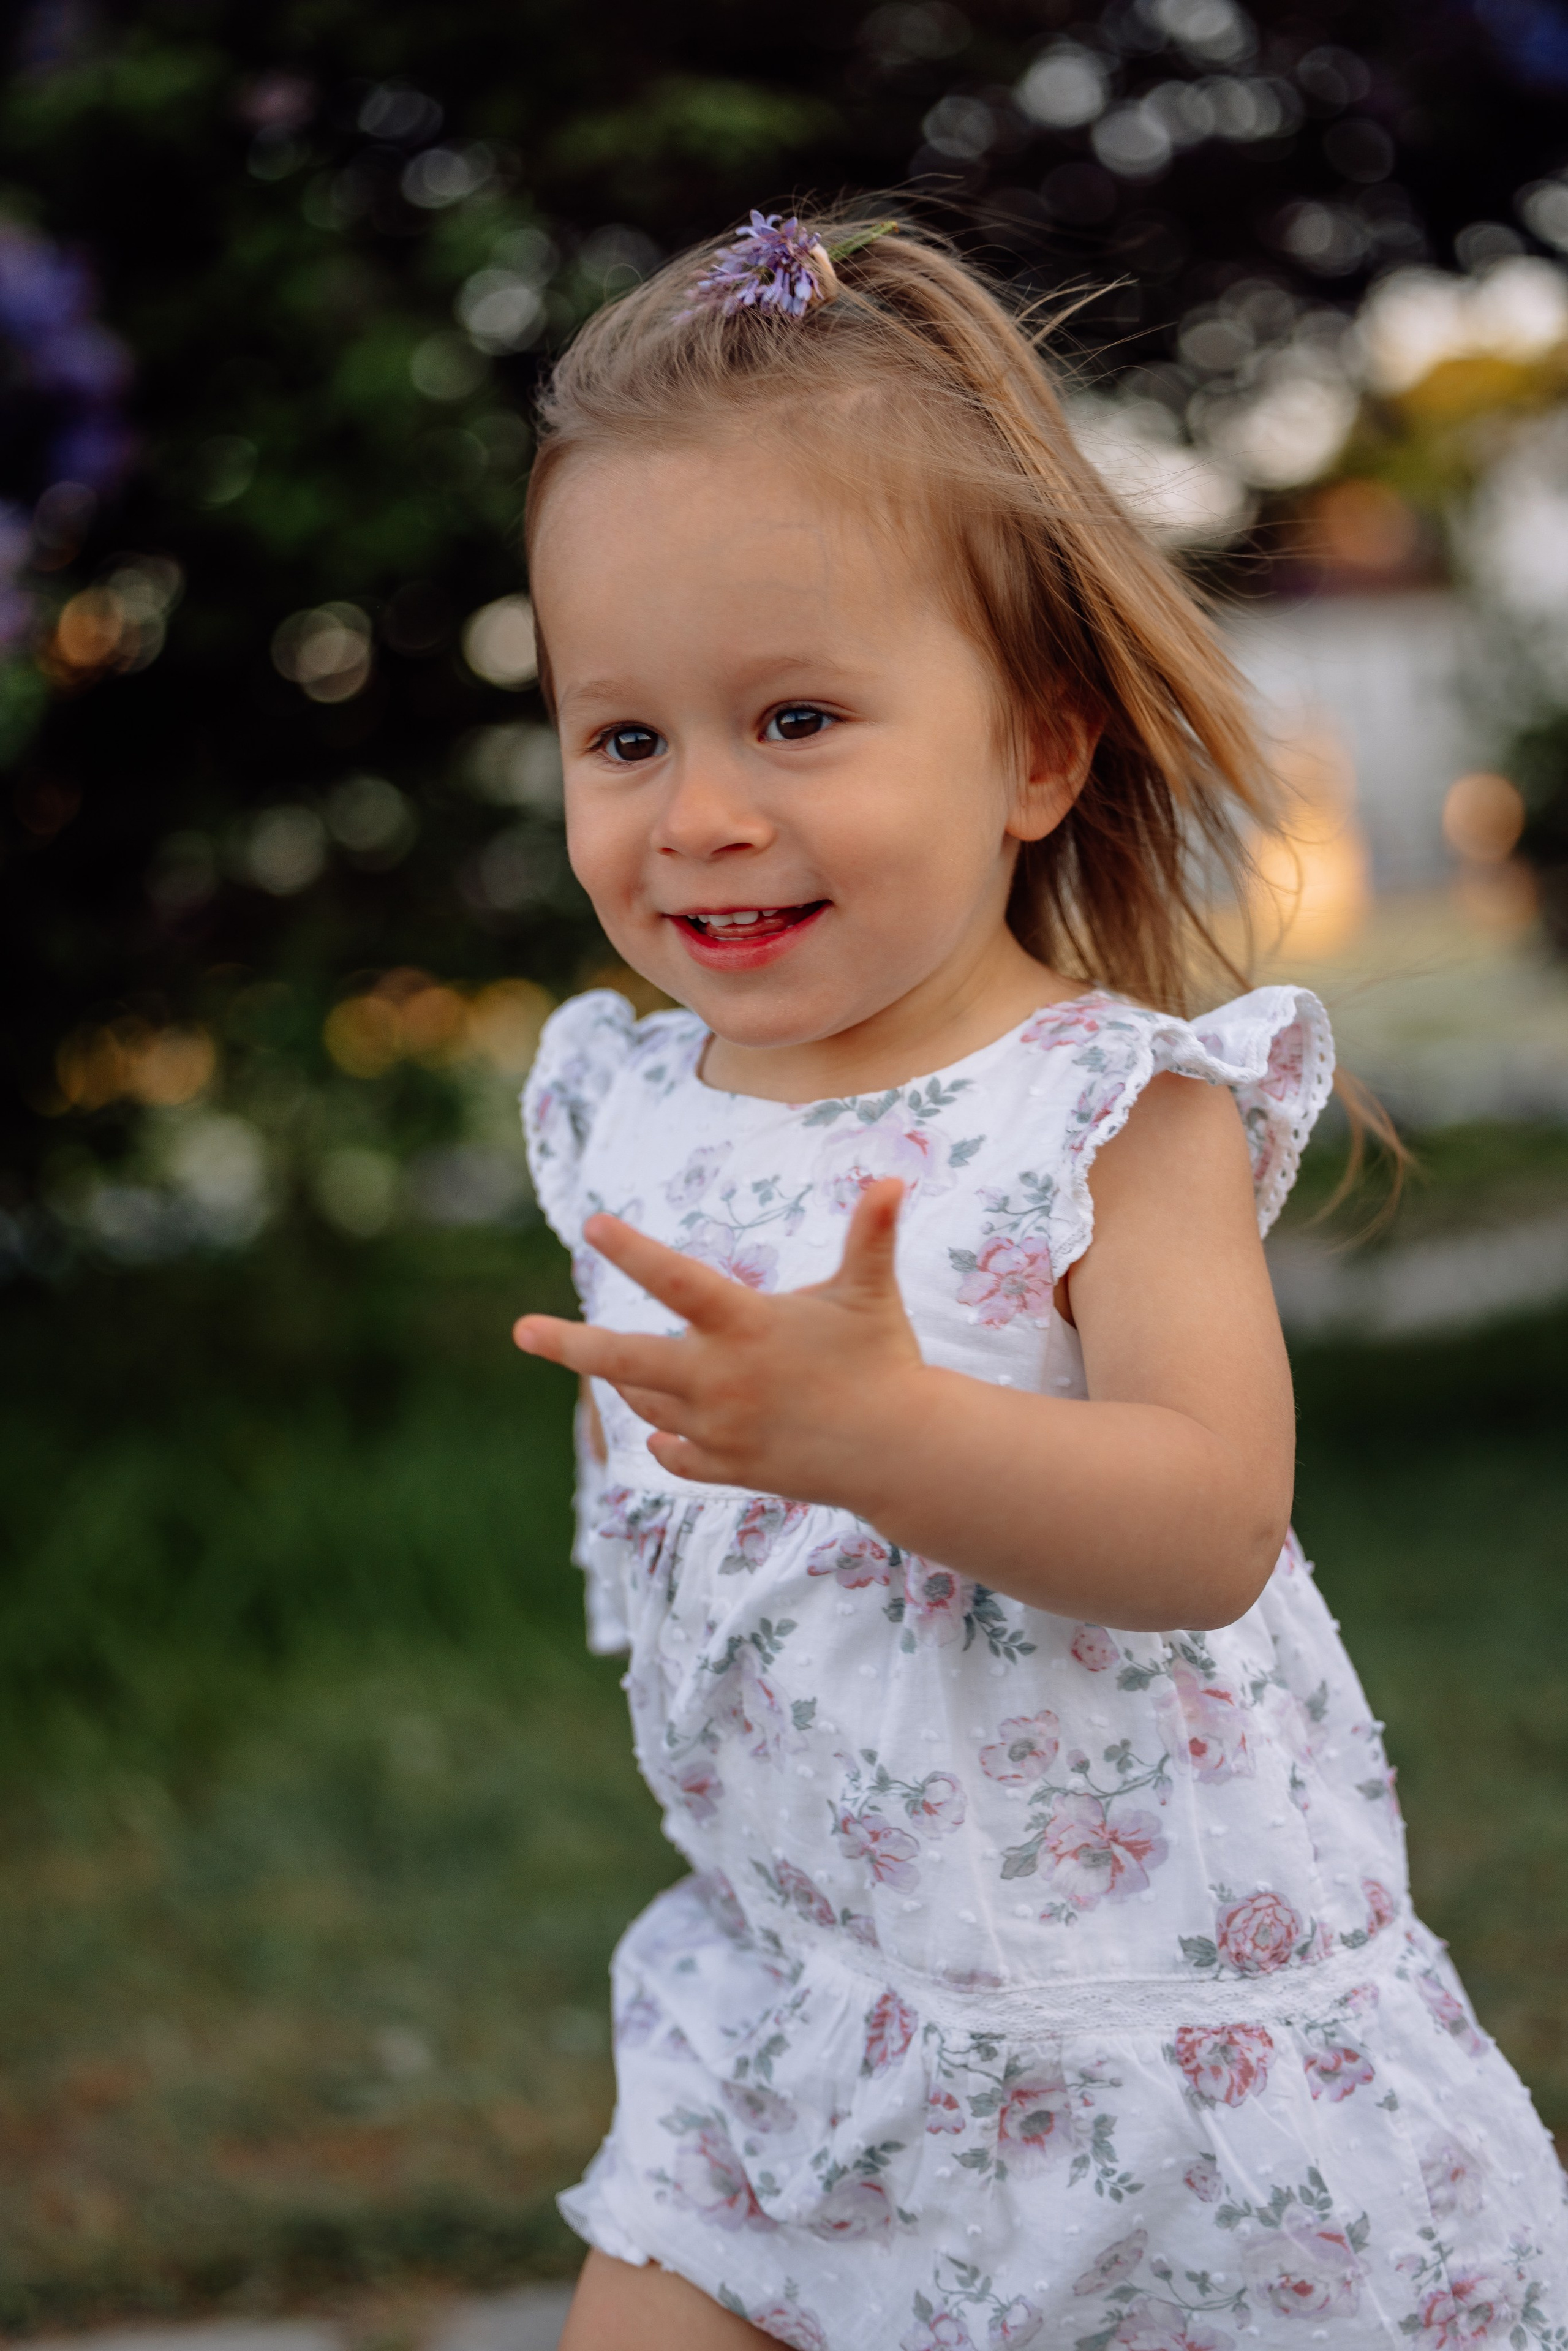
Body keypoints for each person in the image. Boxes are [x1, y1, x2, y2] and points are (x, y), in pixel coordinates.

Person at [511, 209, 1567, 2350]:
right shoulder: (625, 1104)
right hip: (802, 2005)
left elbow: (1205, 1525)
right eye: (623, 741)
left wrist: (887, 1438)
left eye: (795, 718)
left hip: (1142, 2041)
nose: (699, 814)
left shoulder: (1106, 1112)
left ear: (1037, 756)